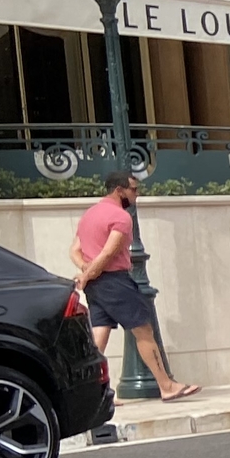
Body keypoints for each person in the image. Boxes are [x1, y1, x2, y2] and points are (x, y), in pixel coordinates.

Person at [71, 170, 198, 399]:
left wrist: (86, 272)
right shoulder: (121, 217)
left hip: (96, 286)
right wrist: (89, 273)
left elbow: (74, 251)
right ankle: (167, 386)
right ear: (120, 191)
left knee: (99, 335)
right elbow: (109, 253)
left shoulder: (88, 215)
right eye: (134, 190)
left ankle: (93, 394)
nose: (136, 195)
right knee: (144, 330)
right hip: (115, 281)